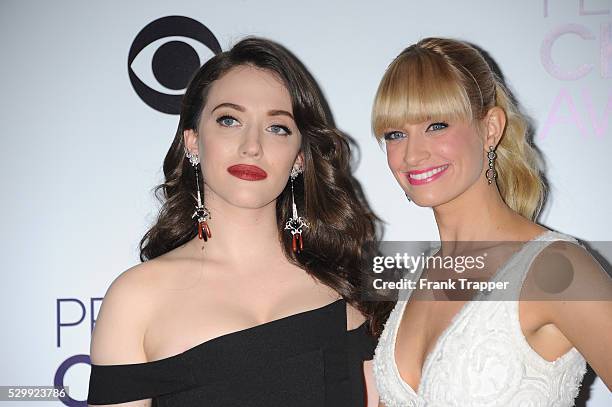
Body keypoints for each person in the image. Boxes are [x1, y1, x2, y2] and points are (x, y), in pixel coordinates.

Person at [87, 37, 381, 407]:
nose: (252, 145)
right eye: (230, 120)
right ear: (193, 141)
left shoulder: (348, 289)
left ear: (300, 159)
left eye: (278, 128)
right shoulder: (136, 300)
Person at [370, 37, 612, 406]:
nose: (412, 154)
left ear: (491, 129)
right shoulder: (414, 280)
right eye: (395, 134)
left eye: (436, 125)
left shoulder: (557, 269)